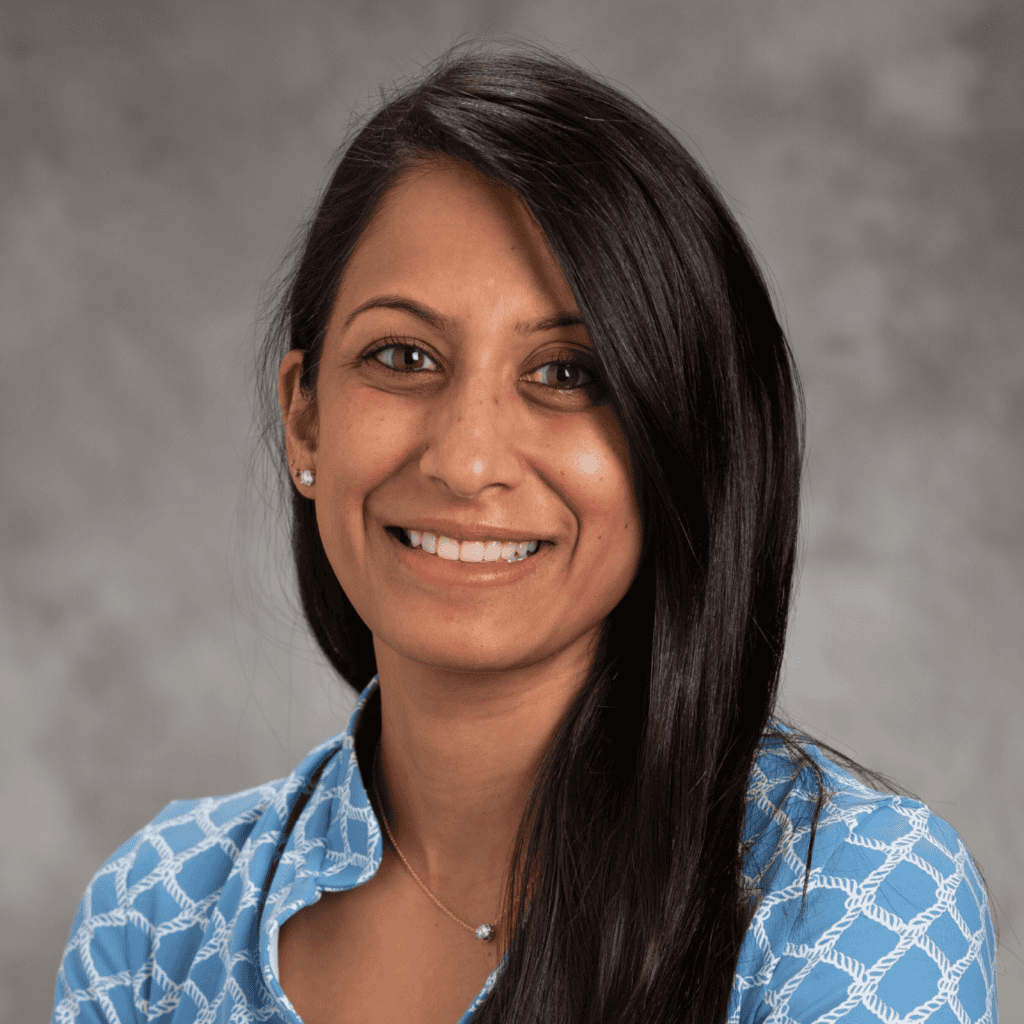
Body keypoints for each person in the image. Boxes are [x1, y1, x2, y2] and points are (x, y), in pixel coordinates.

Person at [51, 44, 998, 1024]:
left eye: (566, 373)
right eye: (403, 355)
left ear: (679, 438)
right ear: (306, 420)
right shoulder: (159, 915)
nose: (466, 460)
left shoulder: (850, 895)